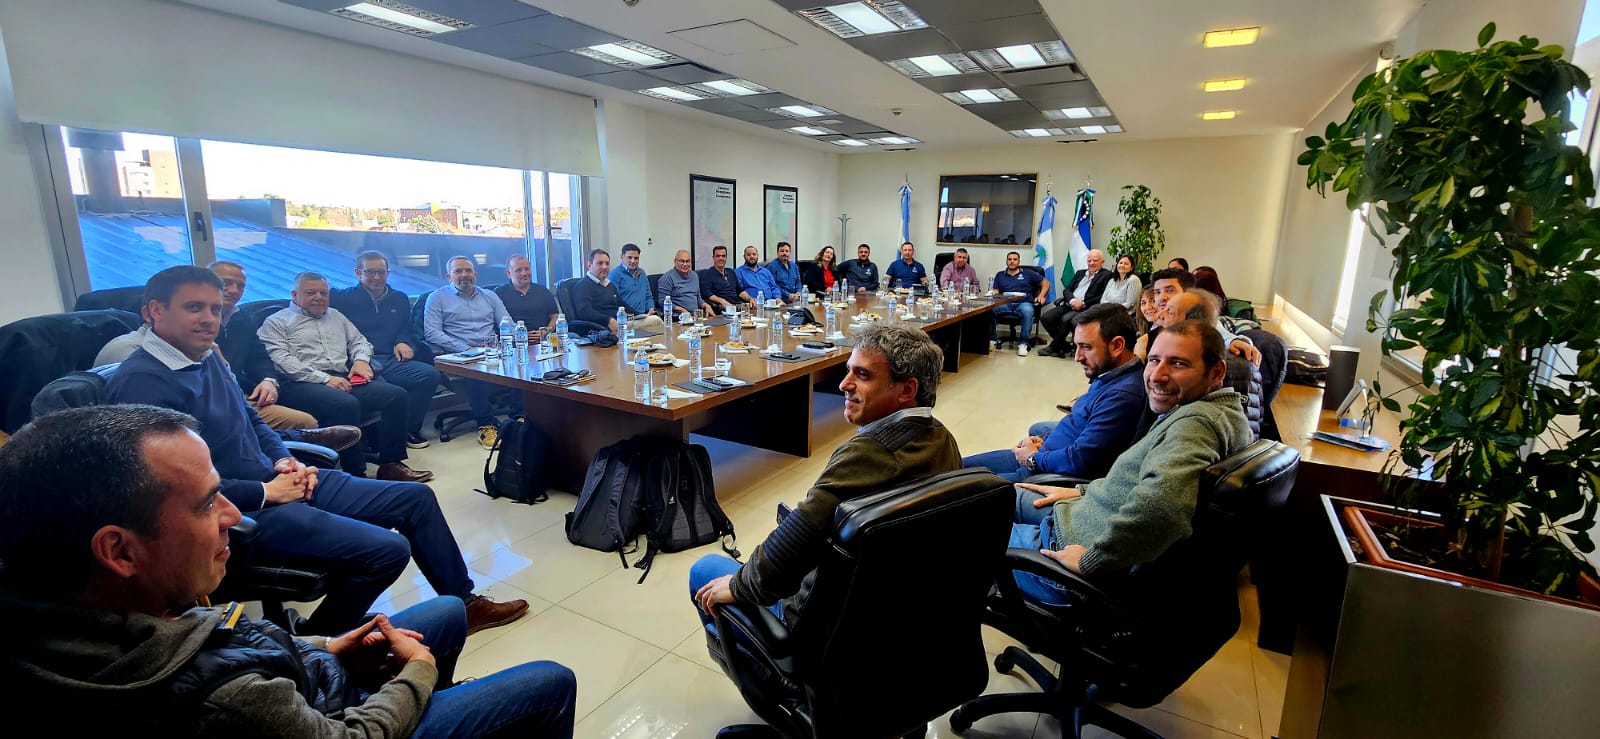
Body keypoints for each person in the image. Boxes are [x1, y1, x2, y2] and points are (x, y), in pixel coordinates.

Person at [0, 404, 576, 735]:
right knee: (551, 679)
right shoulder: (219, 695)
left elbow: (233, 638)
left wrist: (323, 646)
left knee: (448, 609)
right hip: (341, 722)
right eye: (208, 502)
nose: (231, 513)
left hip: (310, 678)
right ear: (119, 552)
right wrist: (416, 676)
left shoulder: (101, 612)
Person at [107, 266, 528, 636]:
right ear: (154, 311)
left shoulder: (207, 358)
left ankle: (465, 603)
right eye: (193, 308)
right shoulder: (142, 383)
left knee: (416, 499)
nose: (209, 319)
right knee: (387, 550)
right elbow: (169, 490)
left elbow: (253, 420)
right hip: (236, 512)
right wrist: (266, 492)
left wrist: (283, 461)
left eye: (215, 309)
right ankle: (322, 643)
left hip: (280, 479)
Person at [690, 324, 959, 632]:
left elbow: (792, 544)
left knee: (705, 571)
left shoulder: (867, 456)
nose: (844, 384)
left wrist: (741, 586)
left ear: (907, 390)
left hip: (829, 620)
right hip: (901, 607)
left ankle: (768, 672)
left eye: (863, 375)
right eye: (848, 371)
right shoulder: (943, 439)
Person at [1008, 321, 1252, 603]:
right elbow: (1145, 481)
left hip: (1065, 554)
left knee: (958, 523)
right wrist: (1083, 492)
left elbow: (1162, 510)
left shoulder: (1196, 425)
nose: (1157, 376)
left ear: (1216, 372)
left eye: (1178, 364)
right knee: (994, 495)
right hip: (1082, 516)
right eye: (1155, 361)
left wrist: (1091, 562)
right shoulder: (1224, 413)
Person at [259, 272, 432, 483]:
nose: (318, 297)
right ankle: (355, 473)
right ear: (294, 295)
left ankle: (390, 464)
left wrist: (360, 361)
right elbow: (281, 360)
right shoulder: (277, 322)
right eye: (311, 293)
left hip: (342, 377)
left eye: (323, 293)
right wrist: (324, 379)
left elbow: (360, 342)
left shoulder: (336, 316)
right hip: (299, 383)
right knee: (346, 404)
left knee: (396, 395)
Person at [964, 304, 1146, 482]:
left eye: (1086, 347)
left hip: (1041, 474)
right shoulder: (1110, 374)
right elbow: (1078, 428)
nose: (1077, 357)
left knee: (953, 488)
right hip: (1045, 456)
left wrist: (1033, 459)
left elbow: (1080, 460)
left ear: (1117, 346)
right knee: (955, 465)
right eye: (1077, 346)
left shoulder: (1122, 396)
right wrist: (1044, 442)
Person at [331, 251, 444, 449]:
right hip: (360, 363)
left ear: (388, 273)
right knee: (387, 390)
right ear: (358, 273)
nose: (376, 277)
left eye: (381, 272)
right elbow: (313, 299)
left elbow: (405, 329)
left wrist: (402, 341)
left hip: (391, 359)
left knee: (429, 375)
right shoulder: (342, 298)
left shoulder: (399, 298)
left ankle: (408, 429)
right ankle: (374, 437)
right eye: (370, 272)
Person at [423, 256, 522, 449]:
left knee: (521, 362)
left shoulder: (489, 296)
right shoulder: (437, 298)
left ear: (475, 274)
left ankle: (519, 418)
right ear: (448, 276)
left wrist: (505, 342)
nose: (464, 275)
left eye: (468, 271)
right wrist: (465, 348)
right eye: (458, 271)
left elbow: (507, 324)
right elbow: (432, 333)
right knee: (476, 369)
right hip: (458, 354)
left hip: (491, 349)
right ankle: (486, 424)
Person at [1145, 268, 1260, 366]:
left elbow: (1212, 330)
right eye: (1157, 292)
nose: (1161, 297)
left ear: (1188, 292)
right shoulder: (1157, 319)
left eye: (1170, 290)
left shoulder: (1197, 316)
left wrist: (1233, 342)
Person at [1038, 249, 1113, 358]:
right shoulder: (1080, 273)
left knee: (1066, 319)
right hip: (1070, 304)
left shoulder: (1107, 275)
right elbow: (1067, 290)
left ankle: (1054, 346)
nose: (1092, 263)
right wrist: (1072, 300)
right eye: (1089, 260)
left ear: (1102, 261)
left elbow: (1101, 296)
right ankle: (1064, 345)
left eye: (1095, 260)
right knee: (1046, 318)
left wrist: (1083, 303)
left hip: (1086, 307)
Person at [989, 251, 1049, 357]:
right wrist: (994, 293)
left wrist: (1041, 296)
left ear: (1019, 261)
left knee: (1028, 311)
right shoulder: (1000, 275)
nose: (1012, 261)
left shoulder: (1027, 273)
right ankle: (993, 340)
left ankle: (1023, 343)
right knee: (989, 310)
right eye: (1010, 259)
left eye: (1015, 259)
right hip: (1005, 303)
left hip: (1024, 303)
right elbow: (996, 291)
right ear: (1006, 261)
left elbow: (1046, 283)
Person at [493, 254, 559, 339]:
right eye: (519, 270)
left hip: (544, 339)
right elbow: (496, 324)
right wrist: (520, 335)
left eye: (527, 269)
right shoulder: (499, 293)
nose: (524, 273)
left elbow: (555, 316)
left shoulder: (542, 291)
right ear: (509, 273)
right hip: (515, 342)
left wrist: (546, 331)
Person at [607, 243, 666, 331]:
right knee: (657, 321)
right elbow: (614, 300)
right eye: (629, 257)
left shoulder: (641, 273)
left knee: (655, 321)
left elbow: (648, 295)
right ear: (622, 256)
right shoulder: (615, 274)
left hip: (643, 316)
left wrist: (651, 308)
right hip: (625, 319)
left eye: (636, 258)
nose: (633, 261)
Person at [569, 249, 626, 335]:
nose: (604, 267)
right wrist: (608, 320)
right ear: (589, 265)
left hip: (619, 324)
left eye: (607, 263)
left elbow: (622, 305)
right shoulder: (583, 286)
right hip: (599, 329)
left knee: (650, 319)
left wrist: (641, 314)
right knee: (651, 322)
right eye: (600, 263)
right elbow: (585, 312)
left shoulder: (610, 285)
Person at [660, 249, 711, 317]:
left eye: (687, 261)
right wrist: (681, 310)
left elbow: (698, 298)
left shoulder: (694, 275)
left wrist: (706, 305)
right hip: (679, 316)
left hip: (696, 316)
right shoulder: (667, 278)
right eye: (681, 261)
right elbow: (662, 302)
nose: (685, 264)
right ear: (675, 262)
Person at [700, 244, 749, 314]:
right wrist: (722, 301)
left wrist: (750, 299)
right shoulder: (707, 274)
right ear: (713, 258)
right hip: (724, 309)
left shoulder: (731, 272)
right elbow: (706, 294)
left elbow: (740, 291)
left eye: (723, 256)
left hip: (738, 306)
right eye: (718, 256)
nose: (721, 258)